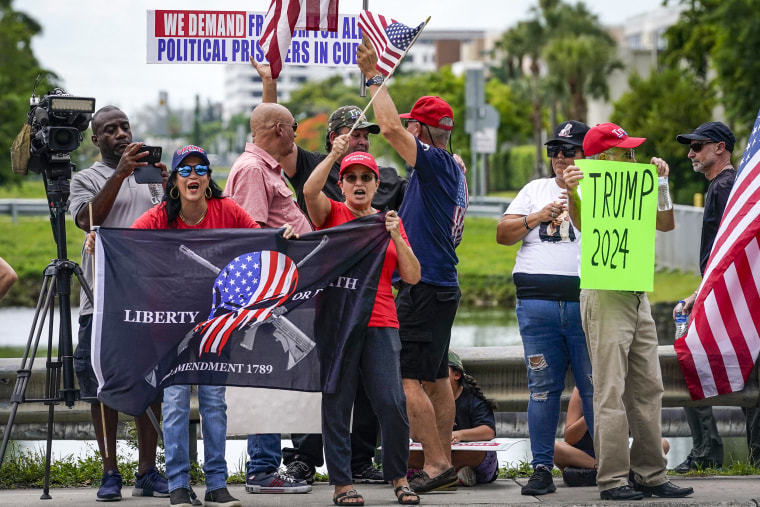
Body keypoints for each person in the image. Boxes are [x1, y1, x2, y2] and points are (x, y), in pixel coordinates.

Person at [250, 59, 400, 484]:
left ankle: (359, 461)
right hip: (325, 296)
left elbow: (417, 191)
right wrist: (270, 87)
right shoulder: (316, 165)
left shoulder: (385, 179)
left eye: (368, 135)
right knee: (323, 381)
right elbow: (272, 135)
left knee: (371, 391)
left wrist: (453, 165)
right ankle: (304, 457)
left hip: (373, 297)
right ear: (335, 138)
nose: (362, 141)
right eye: (354, 134)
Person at [357, 41, 469, 493]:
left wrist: (373, 77)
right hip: (441, 285)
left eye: (412, 129)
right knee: (437, 377)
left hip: (425, 287)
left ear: (421, 132)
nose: (406, 134)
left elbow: (386, 124)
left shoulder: (439, 164)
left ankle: (438, 465)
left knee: (404, 379)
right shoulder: (452, 168)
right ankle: (442, 459)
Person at [563, 122, 693, 501]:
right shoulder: (587, 182)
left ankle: (651, 473)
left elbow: (666, 223)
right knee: (610, 389)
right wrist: (572, 190)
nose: (634, 157)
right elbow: (580, 221)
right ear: (604, 159)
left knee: (649, 387)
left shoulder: (638, 185)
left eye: (634, 151)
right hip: (604, 294)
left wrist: (663, 184)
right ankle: (614, 479)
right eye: (627, 152)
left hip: (637, 295)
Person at [131, 145, 261, 507]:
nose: (192, 175)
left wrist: (284, 235)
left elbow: (259, 239)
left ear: (208, 177)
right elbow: (126, 245)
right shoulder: (158, 216)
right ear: (174, 180)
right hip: (169, 327)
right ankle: (177, 484)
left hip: (216, 325)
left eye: (199, 169)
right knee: (173, 403)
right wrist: (101, 242)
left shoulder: (227, 209)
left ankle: (217, 484)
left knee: (214, 402)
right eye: (184, 170)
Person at [303, 143, 421, 506]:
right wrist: (334, 156)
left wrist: (398, 236)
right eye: (351, 178)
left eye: (365, 178)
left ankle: (399, 478)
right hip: (337, 323)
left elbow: (412, 277)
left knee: (391, 401)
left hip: (381, 321)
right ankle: (341, 483)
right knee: (338, 403)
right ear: (341, 185)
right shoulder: (332, 213)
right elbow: (309, 190)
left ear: (375, 185)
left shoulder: (386, 221)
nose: (358, 183)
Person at [68, 106, 169, 501]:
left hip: (148, 299)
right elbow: (87, 218)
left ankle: (147, 471)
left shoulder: (149, 178)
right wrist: (120, 174)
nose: (121, 134)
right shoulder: (86, 177)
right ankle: (110, 472)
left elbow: (168, 224)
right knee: (101, 387)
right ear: (97, 140)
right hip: (103, 299)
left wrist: (168, 188)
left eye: (124, 126)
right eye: (110, 130)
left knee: (151, 385)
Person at [496, 120, 593, 496]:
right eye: (555, 150)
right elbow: (503, 235)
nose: (560, 157)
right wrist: (538, 216)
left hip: (585, 302)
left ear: (587, 154)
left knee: (594, 388)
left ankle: (614, 469)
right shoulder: (535, 189)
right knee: (541, 389)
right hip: (536, 304)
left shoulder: (600, 188)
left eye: (570, 150)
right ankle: (540, 468)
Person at [224, 101, 312, 495]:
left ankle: (266, 466)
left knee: (274, 380)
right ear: (279, 128)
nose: (296, 133)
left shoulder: (264, 169)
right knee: (265, 381)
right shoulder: (252, 170)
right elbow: (252, 236)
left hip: (279, 293)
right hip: (267, 296)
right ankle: (262, 469)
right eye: (292, 126)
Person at [672, 122, 760, 471]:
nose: (690, 153)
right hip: (726, 292)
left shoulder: (724, 186)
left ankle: (707, 452)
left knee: (686, 360)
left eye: (697, 146)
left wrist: (703, 293)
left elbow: (732, 249)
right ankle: (752, 456)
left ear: (720, 148)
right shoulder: (729, 185)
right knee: (746, 368)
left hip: (725, 294)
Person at [409, 349, 498, 488]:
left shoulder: (473, 400)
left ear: (457, 375)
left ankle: (435, 473)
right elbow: (414, 436)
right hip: (434, 454)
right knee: (406, 454)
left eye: (439, 372)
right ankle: (455, 473)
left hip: (464, 453)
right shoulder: (424, 400)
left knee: (480, 454)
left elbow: (488, 431)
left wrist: (460, 434)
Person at [554, 387, 670, 487]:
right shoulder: (581, 389)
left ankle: (594, 473)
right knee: (555, 448)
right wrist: (592, 413)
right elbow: (569, 438)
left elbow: (640, 436)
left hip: (617, 455)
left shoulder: (627, 391)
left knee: (662, 444)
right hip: (583, 457)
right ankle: (610, 470)